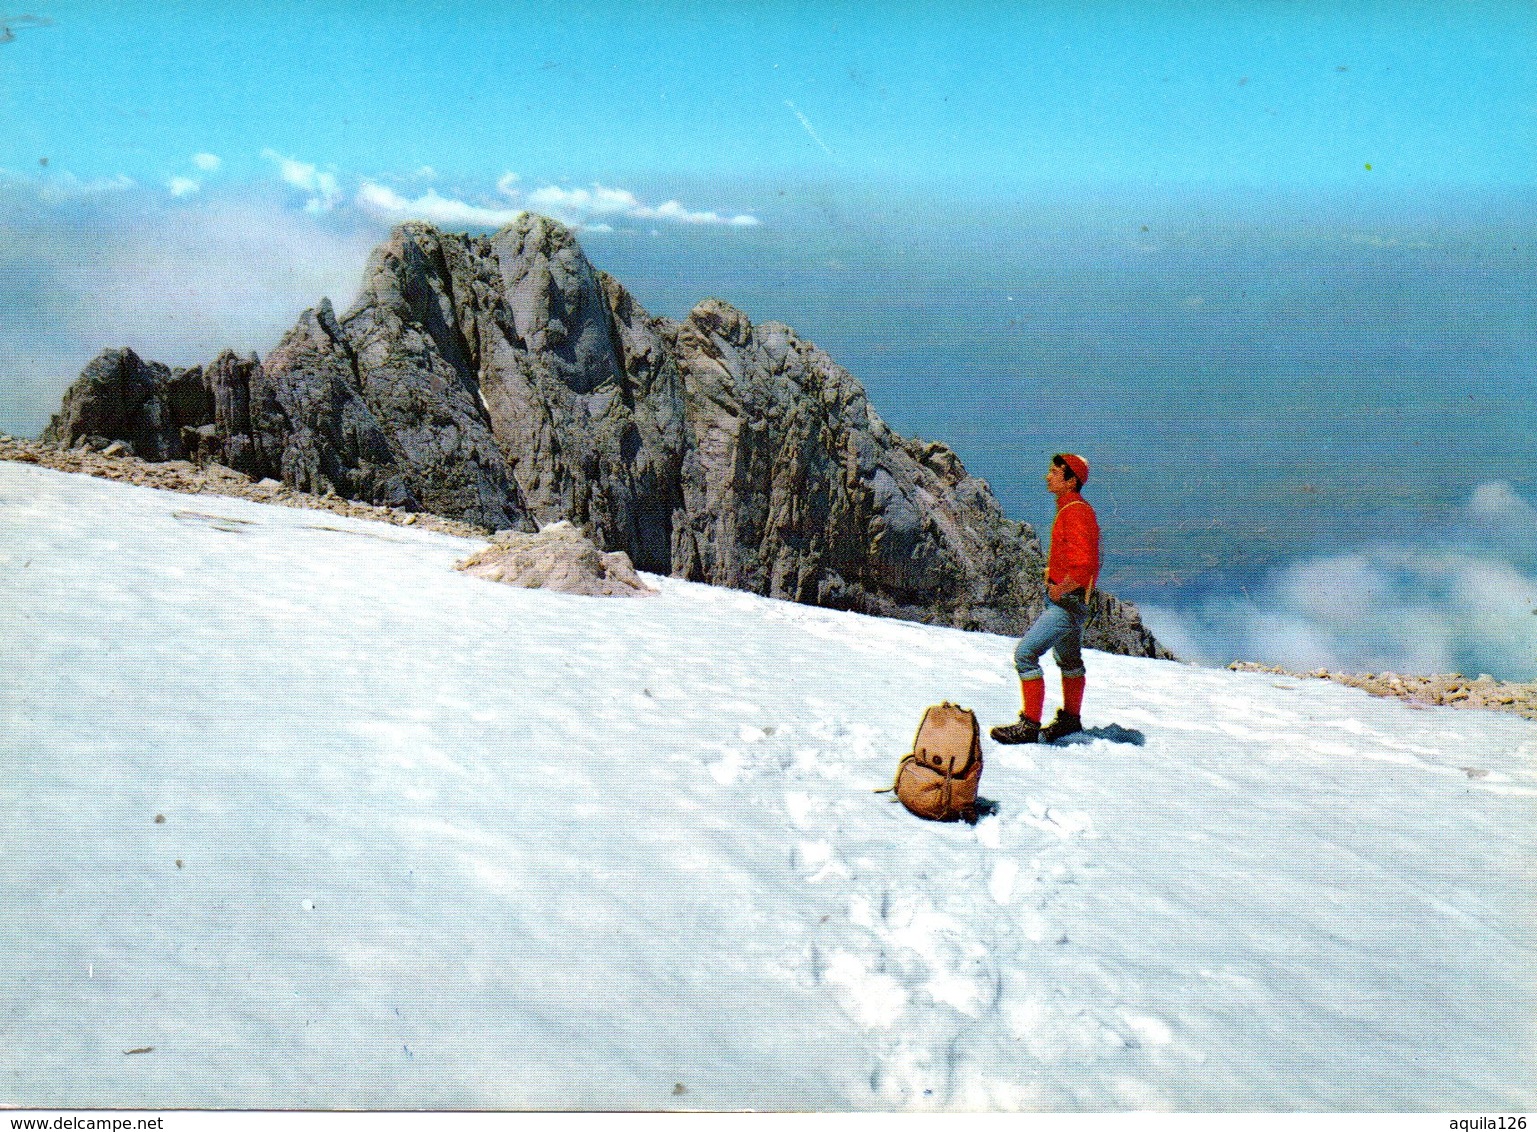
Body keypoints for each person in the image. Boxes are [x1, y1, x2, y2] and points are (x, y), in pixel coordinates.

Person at [991, 452, 1100, 745]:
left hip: (1066, 603)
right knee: (1069, 660)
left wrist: (1061, 588)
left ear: (1071, 480)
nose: (1047, 476)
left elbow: (1086, 564)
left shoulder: (1075, 511)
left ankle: (1029, 725)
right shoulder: (1073, 508)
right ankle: (1070, 720)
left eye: (1054, 472)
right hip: (1073, 601)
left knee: (1025, 656)